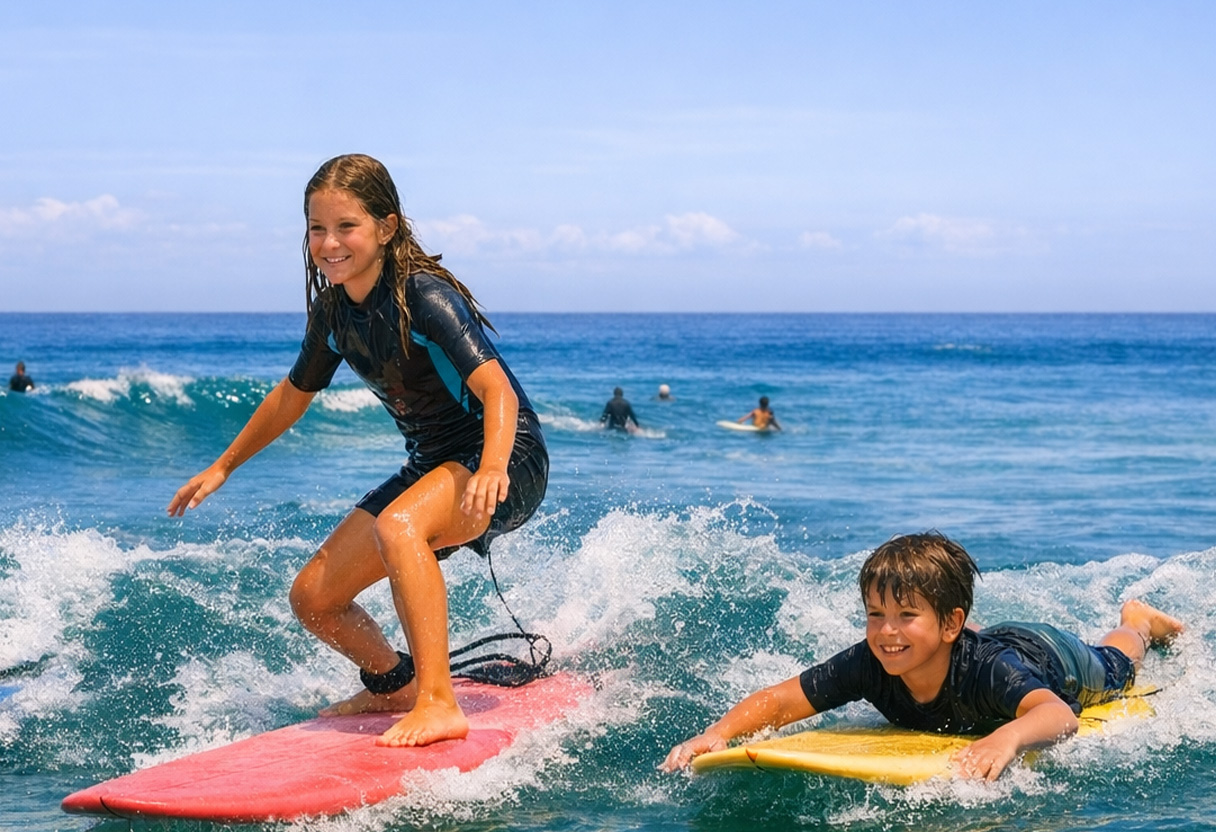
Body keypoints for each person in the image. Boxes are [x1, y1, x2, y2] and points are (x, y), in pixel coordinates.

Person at [168, 154, 549, 749]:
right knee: (315, 597)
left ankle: (439, 702)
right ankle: (393, 683)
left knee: (400, 527)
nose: (329, 242)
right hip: (434, 465)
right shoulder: (335, 310)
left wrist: (494, 467)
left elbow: (496, 388)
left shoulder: (424, 297)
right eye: (317, 228)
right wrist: (222, 466)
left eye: (347, 226)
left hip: (506, 460)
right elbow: (292, 397)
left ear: (386, 228)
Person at [663, 532, 1184, 780]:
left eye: (906, 616)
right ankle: (953, 632)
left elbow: (1057, 714)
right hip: (974, 641)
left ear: (949, 621)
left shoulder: (991, 672)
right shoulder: (873, 658)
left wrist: (1006, 737)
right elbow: (781, 702)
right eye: (874, 615)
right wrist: (720, 732)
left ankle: (1137, 620)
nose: (886, 632)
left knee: (1118, 668)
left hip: (1049, 657)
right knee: (928, 647)